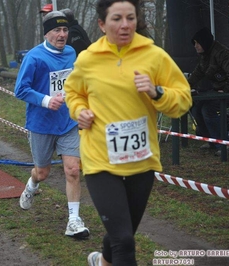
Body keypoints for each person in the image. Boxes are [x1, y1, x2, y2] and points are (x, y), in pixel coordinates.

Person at [63, 0, 192, 265]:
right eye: (117, 18)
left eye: (130, 18)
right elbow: (73, 92)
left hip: (141, 161)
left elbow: (183, 99)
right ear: (102, 24)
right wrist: (79, 111)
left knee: (122, 234)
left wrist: (157, 92)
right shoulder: (88, 59)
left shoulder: (154, 56)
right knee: (124, 241)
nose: (125, 25)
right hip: (100, 160)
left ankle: (102, 261)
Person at [14, 11, 90, 239]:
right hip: (41, 124)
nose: (62, 34)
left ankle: (74, 221)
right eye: (56, 30)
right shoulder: (34, 57)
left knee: (73, 170)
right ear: (46, 33)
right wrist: (47, 100)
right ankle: (32, 184)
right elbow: (20, 89)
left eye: (65, 30)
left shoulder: (71, 53)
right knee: (43, 172)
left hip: (67, 122)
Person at [188, 27, 229, 156]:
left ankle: (226, 145)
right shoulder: (205, 56)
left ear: (204, 42)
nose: (195, 46)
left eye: (197, 43)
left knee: (208, 110)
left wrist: (226, 90)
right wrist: (185, 86)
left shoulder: (222, 53)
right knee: (196, 109)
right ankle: (211, 140)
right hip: (220, 90)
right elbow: (198, 73)